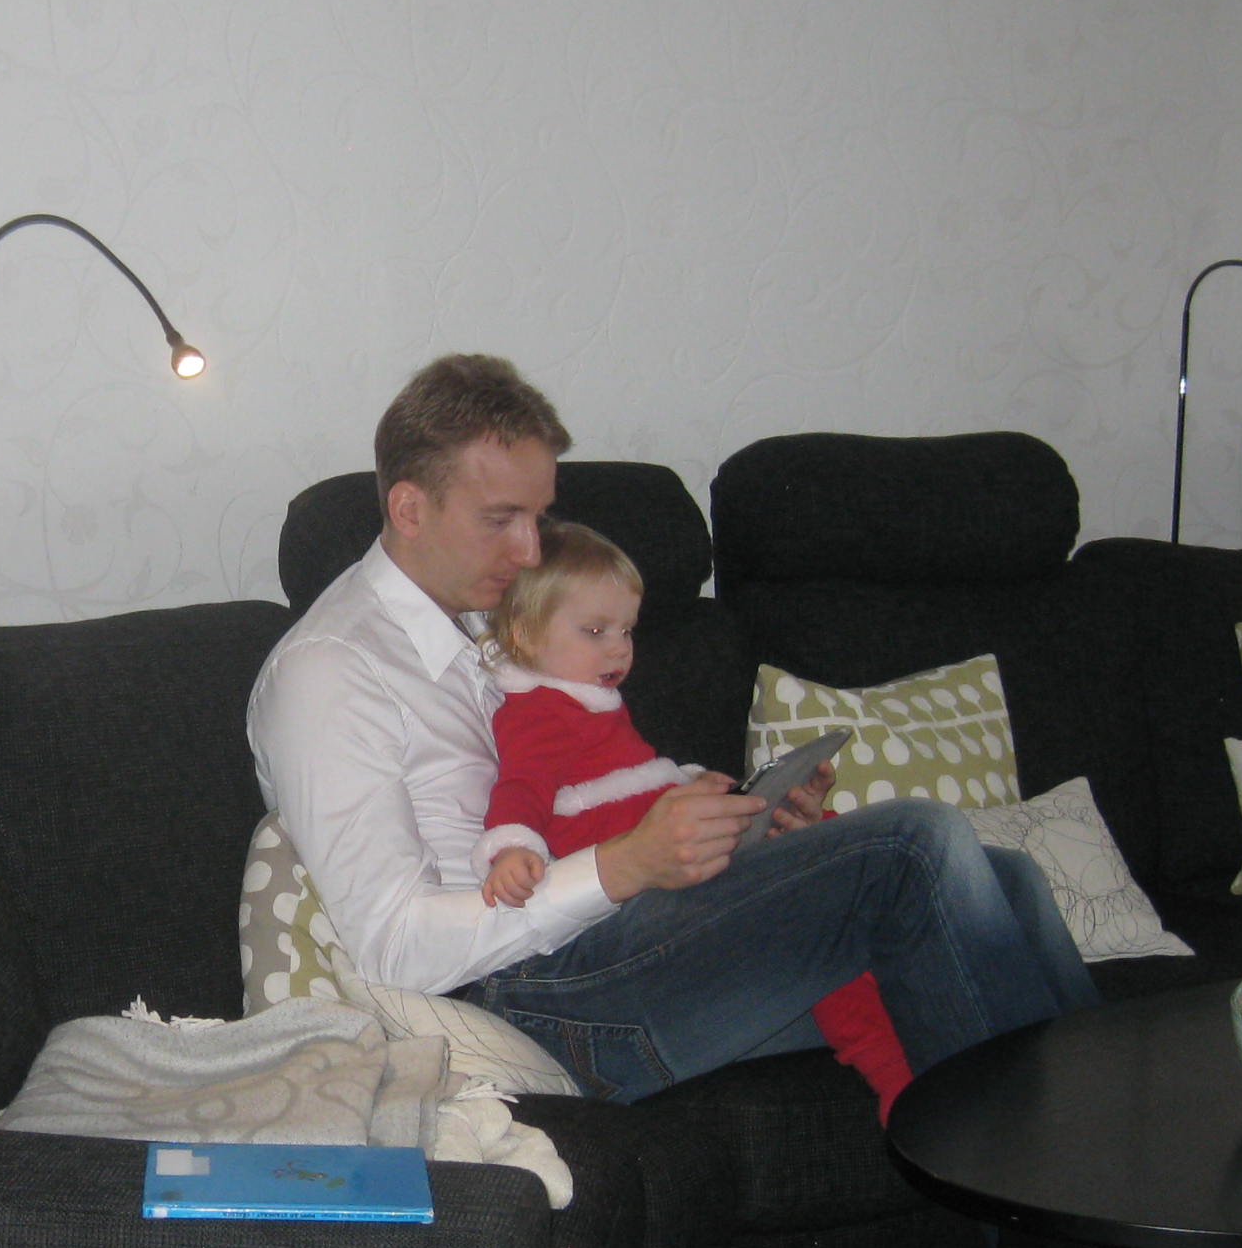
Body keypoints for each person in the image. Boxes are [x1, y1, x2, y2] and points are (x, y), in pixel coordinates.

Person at [245, 351, 1095, 1104]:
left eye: (539, 517)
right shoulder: (332, 673)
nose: (532, 551)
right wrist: (626, 864)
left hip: (626, 940)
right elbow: (392, 950)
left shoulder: (487, 621)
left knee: (1005, 880)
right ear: (409, 508)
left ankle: (1091, 1184)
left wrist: (744, 828)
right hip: (534, 997)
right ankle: (1058, 1197)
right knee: (913, 843)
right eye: (500, 519)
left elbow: (589, 785)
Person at [473, 518, 914, 1108]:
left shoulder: (590, 700)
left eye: (627, 630)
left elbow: (630, 781)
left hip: (677, 857)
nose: (619, 648)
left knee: (832, 842)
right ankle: (890, 1067)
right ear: (523, 632)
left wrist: (700, 786)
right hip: (643, 892)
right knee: (831, 903)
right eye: (596, 630)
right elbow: (520, 788)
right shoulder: (536, 711)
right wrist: (513, 847)